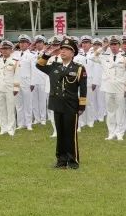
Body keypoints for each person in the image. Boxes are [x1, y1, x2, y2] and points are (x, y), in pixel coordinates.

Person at [36, 37, 87, 169]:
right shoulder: (54, 67)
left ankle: (73, 160)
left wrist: (82, 106)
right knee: (60, 133)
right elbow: (39, 65)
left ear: (72, 53)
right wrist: (48, 53)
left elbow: (83, 88)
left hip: (71, 105)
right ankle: (61, 160)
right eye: (62, 49)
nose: (63, 51)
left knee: (70, 133)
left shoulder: (79, 68)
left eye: (67, 50)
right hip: (57, 104)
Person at [93, 36, 126, 141]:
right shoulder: (104, 57)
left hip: (119, 88)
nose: (114, 47)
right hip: (108, 87)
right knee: (110, 111)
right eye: (112, 44)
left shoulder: (125, 58)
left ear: (119, 45)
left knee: (120, 111)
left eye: (115, 44)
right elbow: (93, 57)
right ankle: (111, 132)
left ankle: (120, 133)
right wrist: (103, 47)